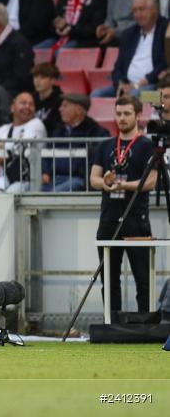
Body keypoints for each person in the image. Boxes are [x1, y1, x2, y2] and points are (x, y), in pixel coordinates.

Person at [90, 95, 156, 314]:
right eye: (118, 113)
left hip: (136, 219)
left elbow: (151, 181)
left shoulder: (147, 146)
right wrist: (106, 184)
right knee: (109, 278)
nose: (122, 118)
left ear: (138, 116)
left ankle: (145, 324)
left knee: (143, 278)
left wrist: (124, 185)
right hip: (108, 218)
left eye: (127, 113)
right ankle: (112, 324)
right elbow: (94, 178)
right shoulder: (106, 145)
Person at [95, 0, 168, 98]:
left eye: (142, 9)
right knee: (96, 95)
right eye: (135, 11)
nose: (138, 15)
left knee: (135, 96)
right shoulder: (129, 34)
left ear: (155, 9)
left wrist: (138, 85)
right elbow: (118, 67)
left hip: (156, 89)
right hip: (128, 86)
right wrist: (121, 85)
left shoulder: (166, 29)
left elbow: (165, 64)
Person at [0, 91, 48, 192]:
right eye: (23, 103)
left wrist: (2, 150)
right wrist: (1, 155)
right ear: (12, 107)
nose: (27, 106)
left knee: (9, 193)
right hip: (5, 179)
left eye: (31, 104)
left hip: (29, 180)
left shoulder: (36, 124)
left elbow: (22, 146)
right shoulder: (3, 129)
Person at [41, 94, 108, 192]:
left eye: (65, 106)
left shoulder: (95, 132)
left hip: (78, 180)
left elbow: (98, 159)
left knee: (50, 197)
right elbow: (47, 153)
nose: (60, 109)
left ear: (79, 110)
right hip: (52, 179)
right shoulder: (58, 130)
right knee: (27, 192)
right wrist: (45, 172)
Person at [32, 63, 64, 135]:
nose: (37, 81)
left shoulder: (60, 101)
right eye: (35, 77)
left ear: (52, 80)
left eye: (42, 77)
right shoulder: (30, 99)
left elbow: (58, 128)